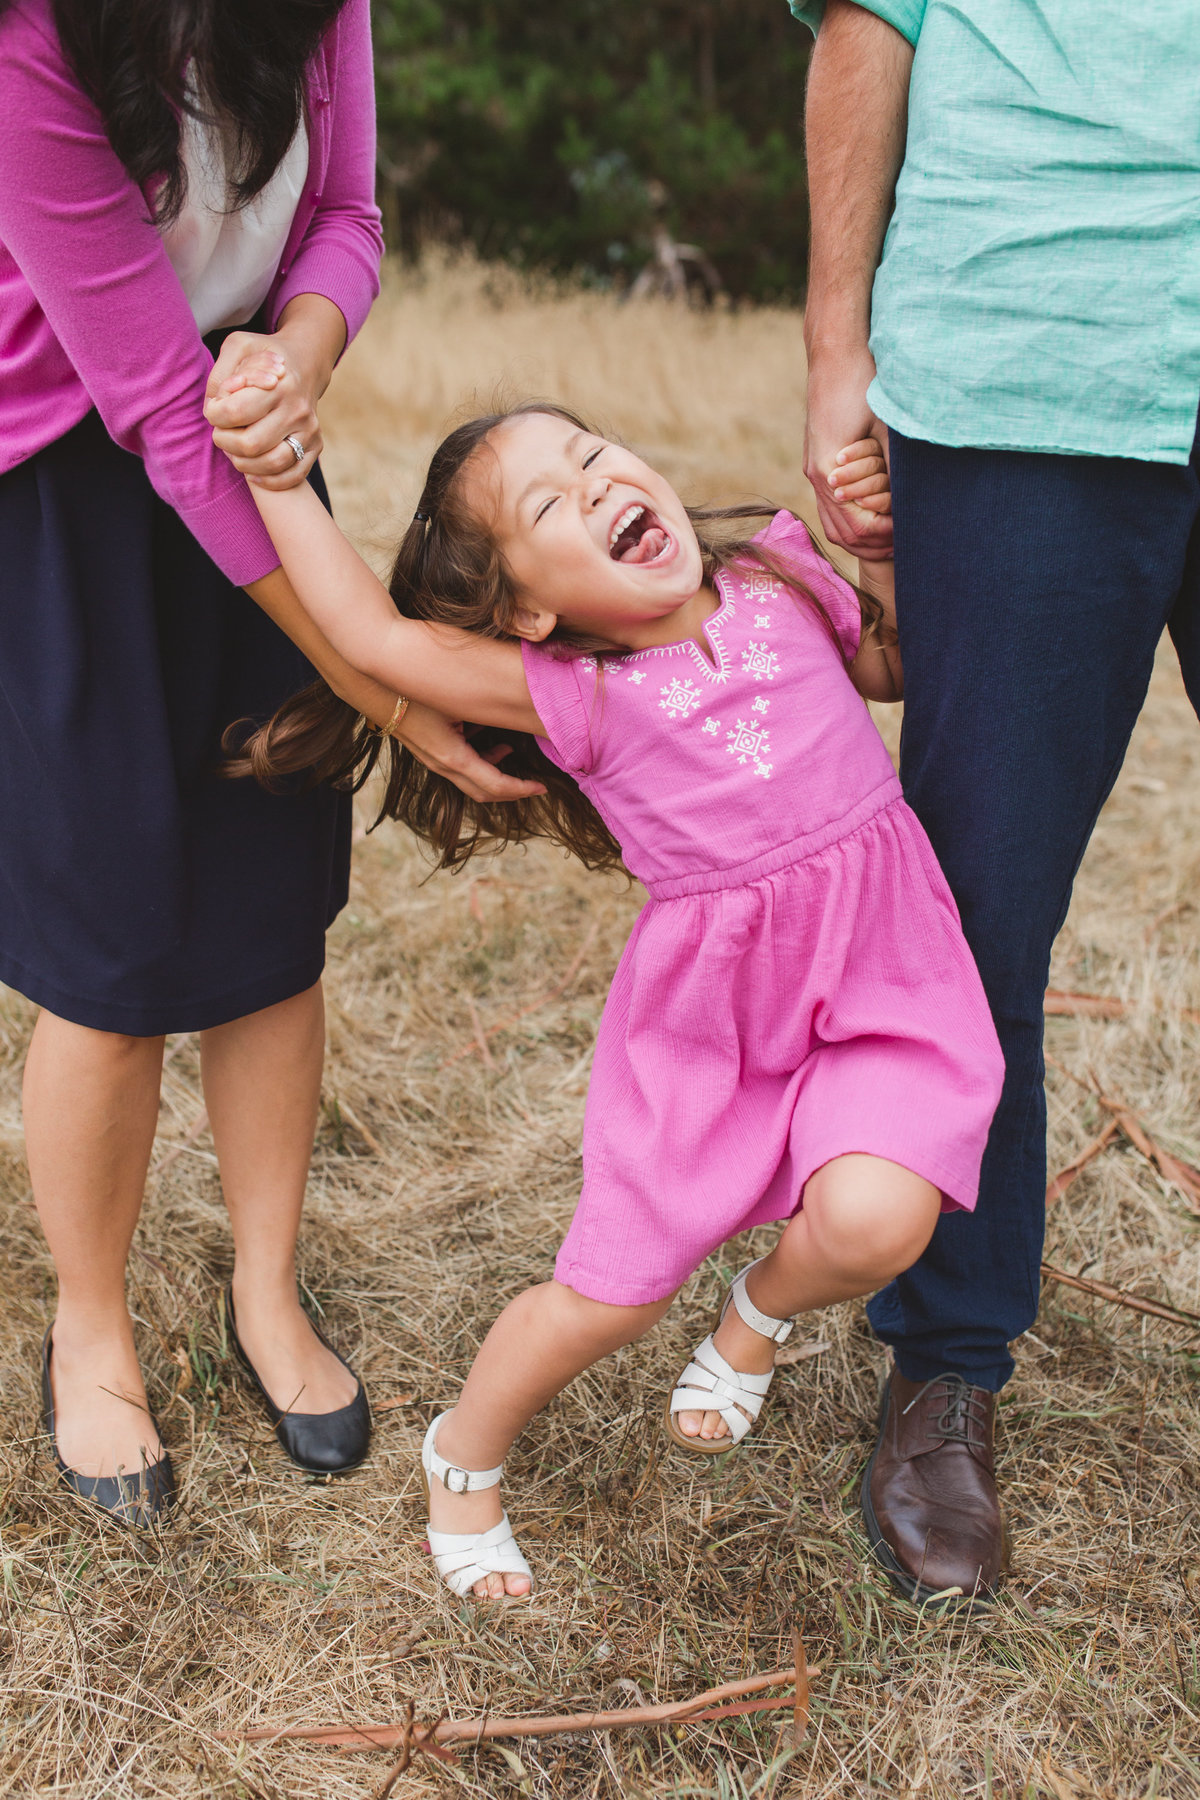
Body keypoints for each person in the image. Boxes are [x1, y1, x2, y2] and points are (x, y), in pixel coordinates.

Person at [218, 398, 1004, 1599]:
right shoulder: (576, 696)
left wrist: (873, 541)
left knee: (879, 1222)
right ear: (532, 610)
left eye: (590, 457)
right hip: (717, 1027)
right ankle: (462, 1451)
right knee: (610, 1295)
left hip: (885, 977)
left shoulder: (779, 575)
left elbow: (893, 662)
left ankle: (757, 1314)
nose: (591, 485)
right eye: (549, 502)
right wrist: (275, 470)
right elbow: (374, 642)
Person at [0, 0, 536, 1526]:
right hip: (62, 476)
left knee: (266, 909)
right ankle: (89, 1323)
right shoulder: (28, 32)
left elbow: (351, 215)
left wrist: (292, 357)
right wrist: (374, 668)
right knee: (111, 941)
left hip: (255, 460)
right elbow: (153, 403)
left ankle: (266, 1289)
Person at [795, 0, 1200, 1602]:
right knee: (975, 913)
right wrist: (838, 359)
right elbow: (867, 26)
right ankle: (945, 1361)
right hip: (1031, 347)